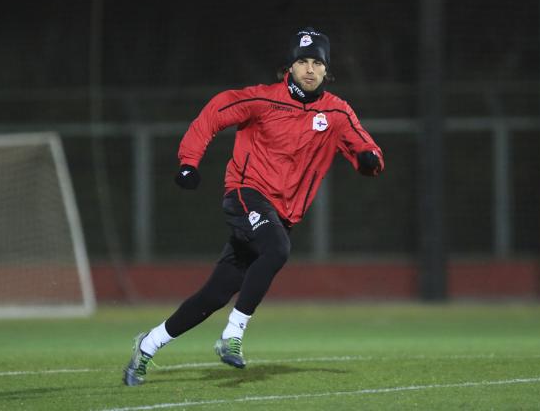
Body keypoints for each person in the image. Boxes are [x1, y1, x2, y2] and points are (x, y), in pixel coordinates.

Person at [123, 26, 385, 386]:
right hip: (246, 194)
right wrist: (189, 161)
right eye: (302, 61)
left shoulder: (337, 113)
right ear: (289, 68)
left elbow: (365, 148)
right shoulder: (262, 101)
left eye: (317, 63)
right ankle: (233, 334)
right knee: (277, 249)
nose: (310, 69)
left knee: (213, 294)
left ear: (327, 70)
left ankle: (147, 347)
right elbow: (215, 112)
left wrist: (369, 161)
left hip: (280, 216)